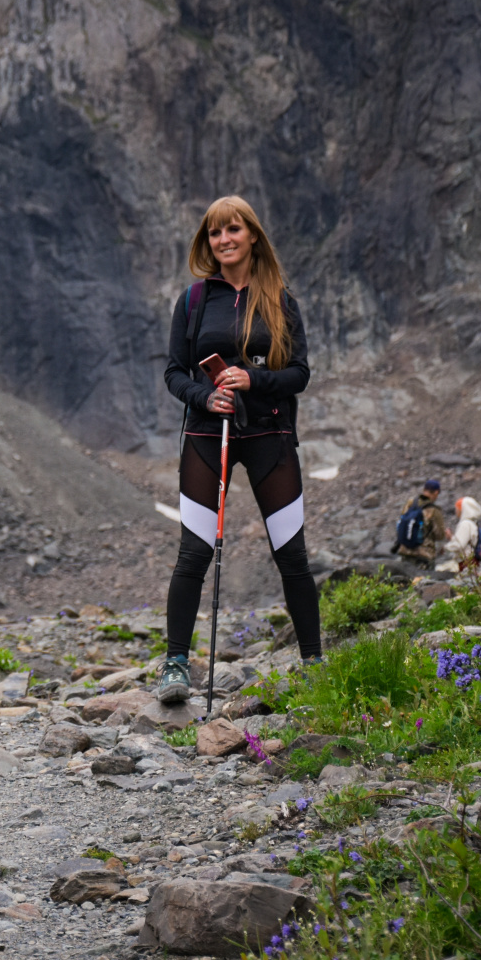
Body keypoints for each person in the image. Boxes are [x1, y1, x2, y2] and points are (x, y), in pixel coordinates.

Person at [158, 195, 321, 704]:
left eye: (232, 230)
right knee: (193, 554)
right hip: (208, 435)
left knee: (291, 555)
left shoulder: (281, 299)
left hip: (270, 434)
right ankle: (176, 667)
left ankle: (315, 663)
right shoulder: (193, 301)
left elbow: (299, 375)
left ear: (252, 235)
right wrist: (207, 394)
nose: (223, 240)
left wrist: (253, 379)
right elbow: (173, 373)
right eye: (213, 233)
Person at [392, 479, 447, 566]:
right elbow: (439, 535)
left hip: (405, 550)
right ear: (436, 492)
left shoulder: (410, 503)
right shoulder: (434, 510)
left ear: (424, 490)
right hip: (424, 554)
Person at [442, 495, 481, 568]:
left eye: (457, 508)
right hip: (472, 559)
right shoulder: (471, 523)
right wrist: (451, 538)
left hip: (467, 560)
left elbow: (460, 545)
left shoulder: (465, 524)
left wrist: (445, 548)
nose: (456, 511)